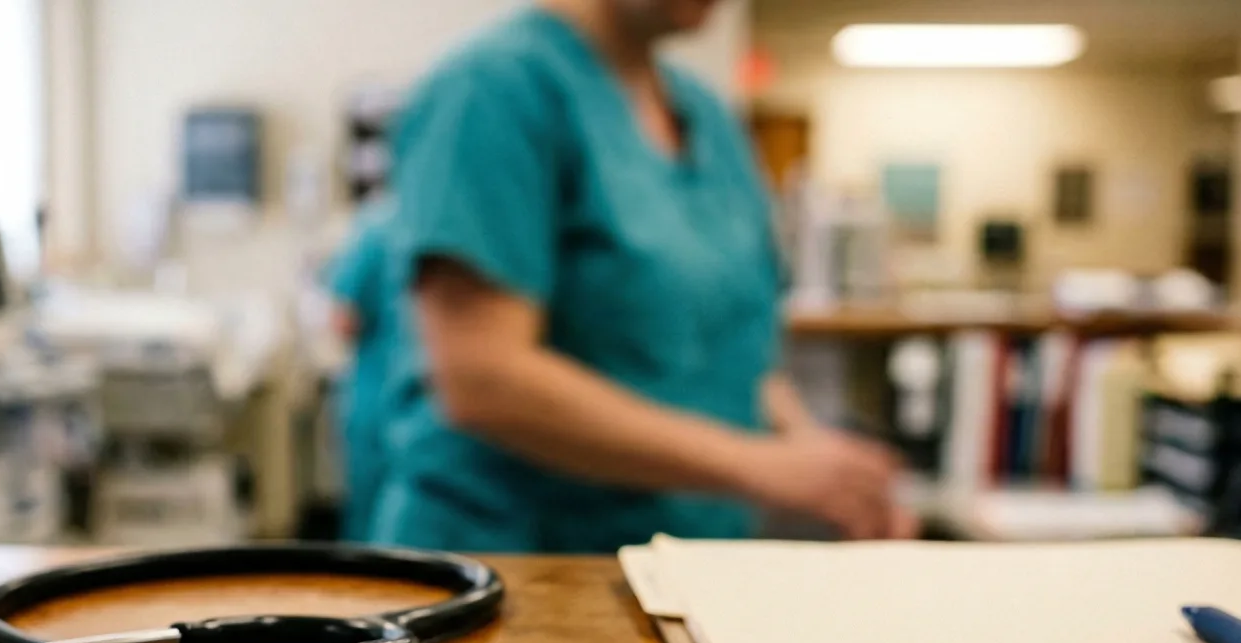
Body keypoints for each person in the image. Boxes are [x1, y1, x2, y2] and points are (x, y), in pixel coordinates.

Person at [365, 0, 917, 552]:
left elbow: (731, 356)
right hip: (525, 563)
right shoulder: (492, 91)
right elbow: (482, 378)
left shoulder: (707, 116)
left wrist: (825, 470)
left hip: (688, 556)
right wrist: (760, 466)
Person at [325, 196, 399, 541]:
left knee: (370, 523)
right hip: (426, 403)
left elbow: (344, 321)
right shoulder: (443, 218)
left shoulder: (376, 225)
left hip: (376, 397)